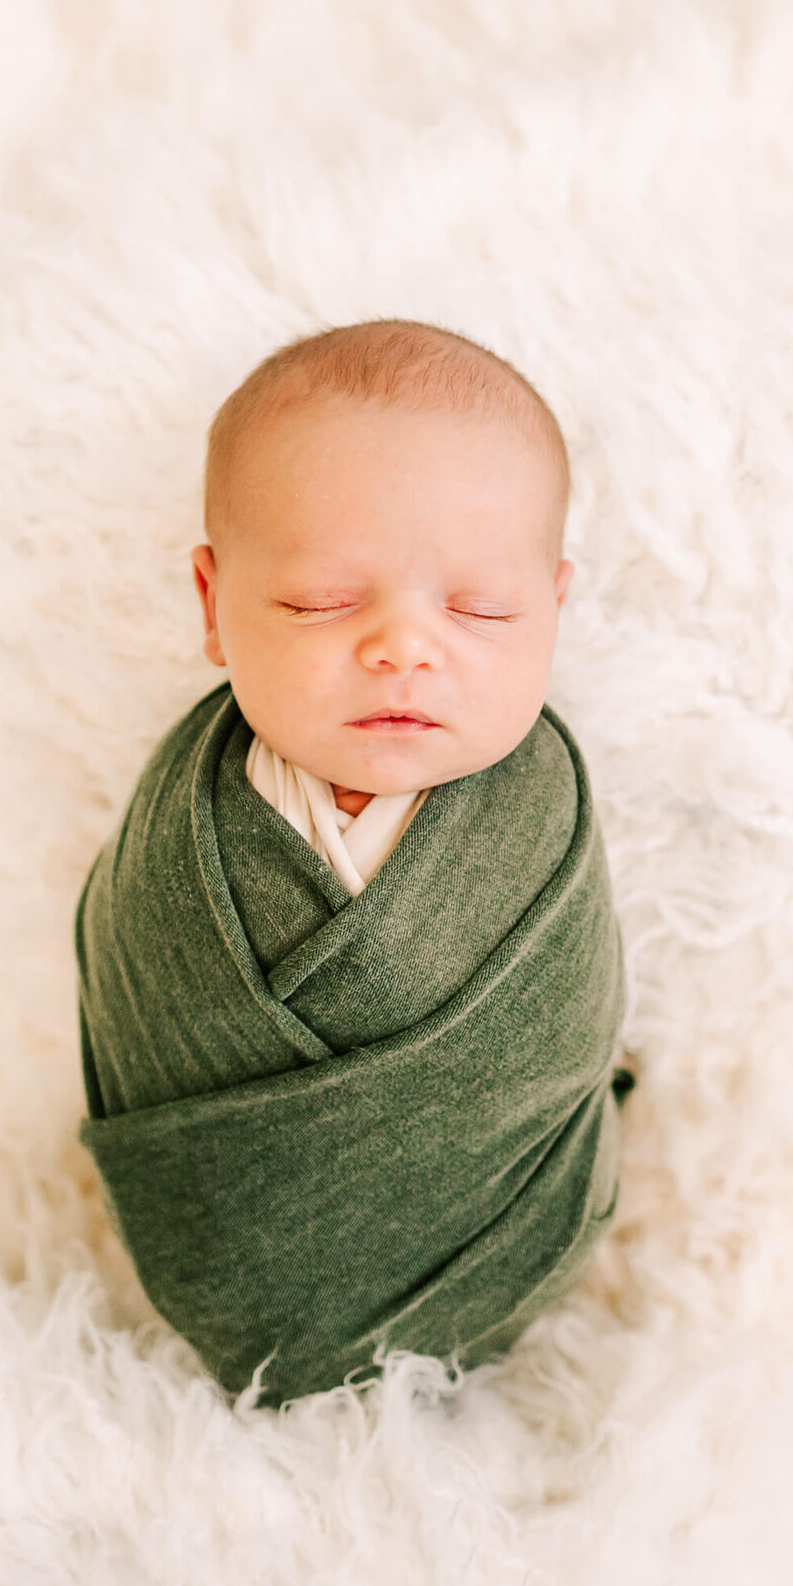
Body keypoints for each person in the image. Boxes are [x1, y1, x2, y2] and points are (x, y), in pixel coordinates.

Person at [75, 319, 630, 1404]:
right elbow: (129, 1003)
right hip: (226, 1260)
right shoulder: (181, 827)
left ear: (552, 612)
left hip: (499, 1238)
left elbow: (568, 1034)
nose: (404, 646)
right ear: (211, 604)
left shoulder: (545, 816)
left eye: (480, 608)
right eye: (322, 600)